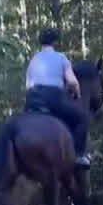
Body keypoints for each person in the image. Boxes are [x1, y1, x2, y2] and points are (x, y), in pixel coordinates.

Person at [24, 28, 90, 167]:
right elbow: (72, 82)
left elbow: (28, 85)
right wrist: (77, 94)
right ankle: (79, 155)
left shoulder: (33, 61)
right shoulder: (61, 58)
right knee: (82, 117)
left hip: (31, 100)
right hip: (52, 98)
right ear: (55, 42)